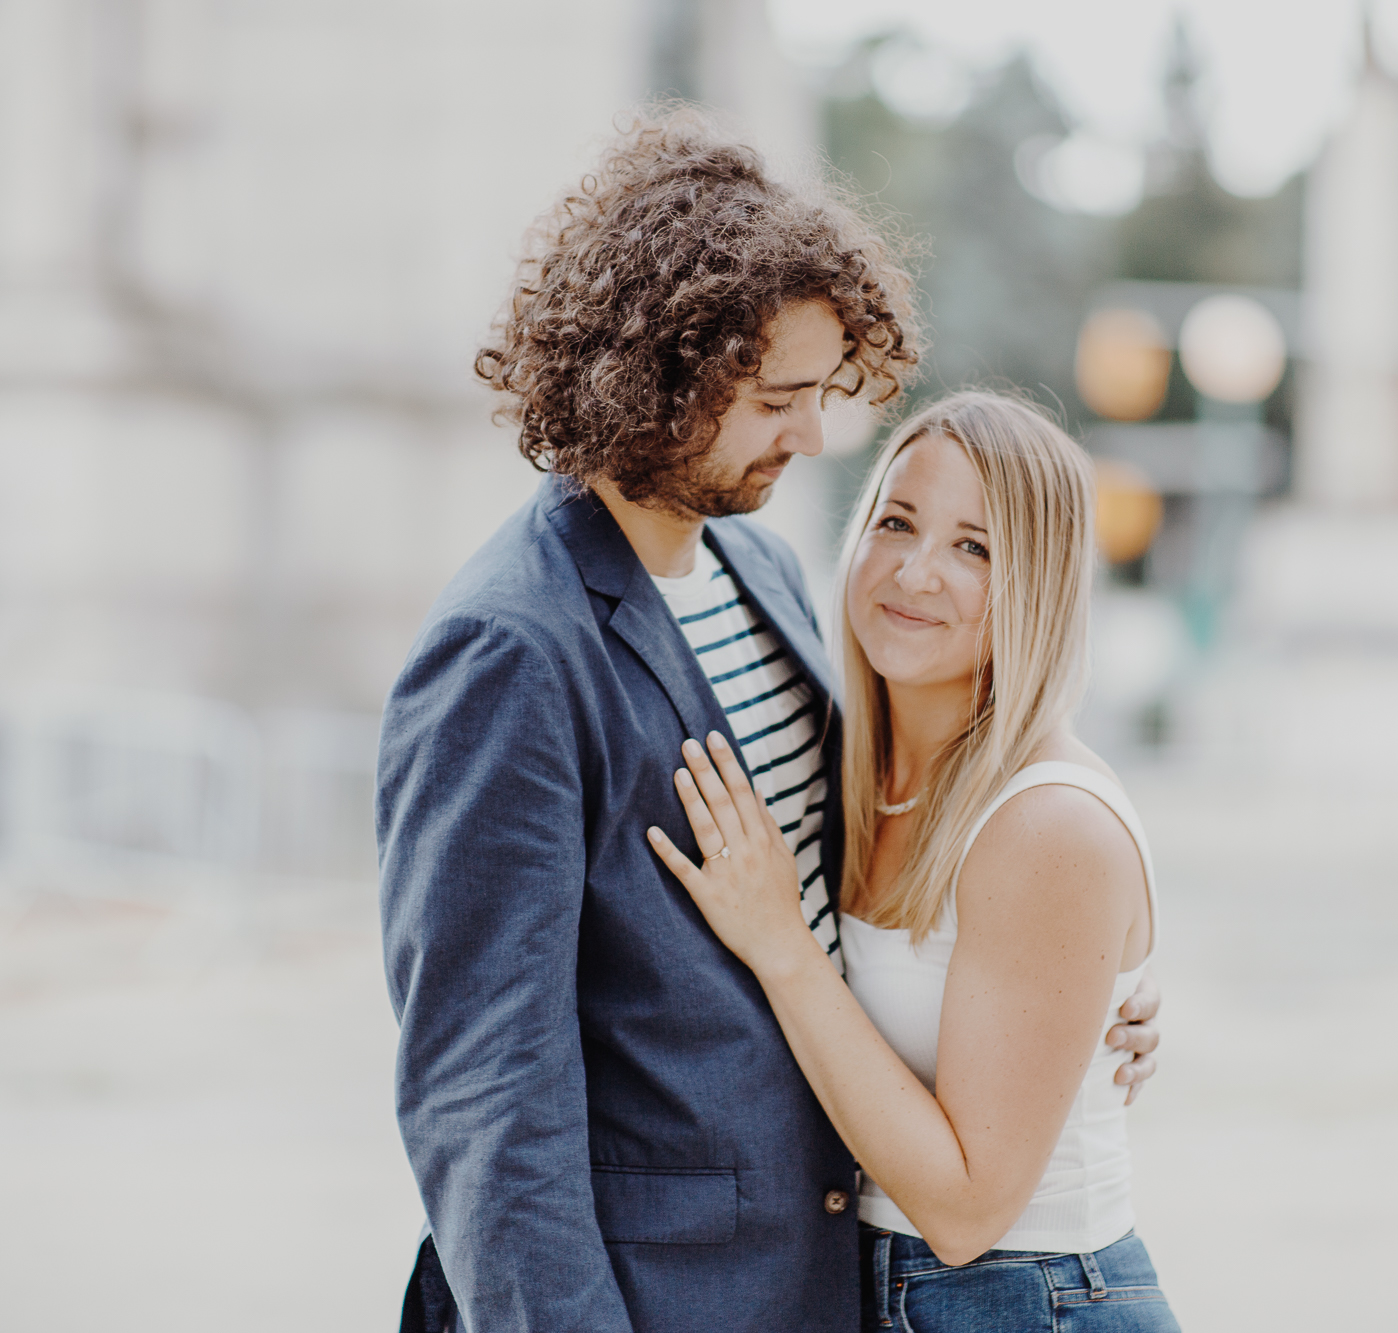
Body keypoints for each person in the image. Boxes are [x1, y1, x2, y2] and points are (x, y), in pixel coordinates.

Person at [374, 112, 1164, 1333]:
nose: (807, 432)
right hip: (662, 1297)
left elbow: (874, 896)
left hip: (829, 1282)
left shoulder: (763, 566)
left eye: (818, 393)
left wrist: (1055, 1000)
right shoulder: (511, 648)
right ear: (657, 380)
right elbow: (484, 1093)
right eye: (777, 399)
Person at [648, 391, 1181, 1332]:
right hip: (869, 1286)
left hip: (1023, 1296)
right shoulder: (852, 770)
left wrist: (781, 943)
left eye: (974, 547)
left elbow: (968, 1210)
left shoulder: (1047, 822)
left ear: (1039, 586)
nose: (915, 571)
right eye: (896, 521)